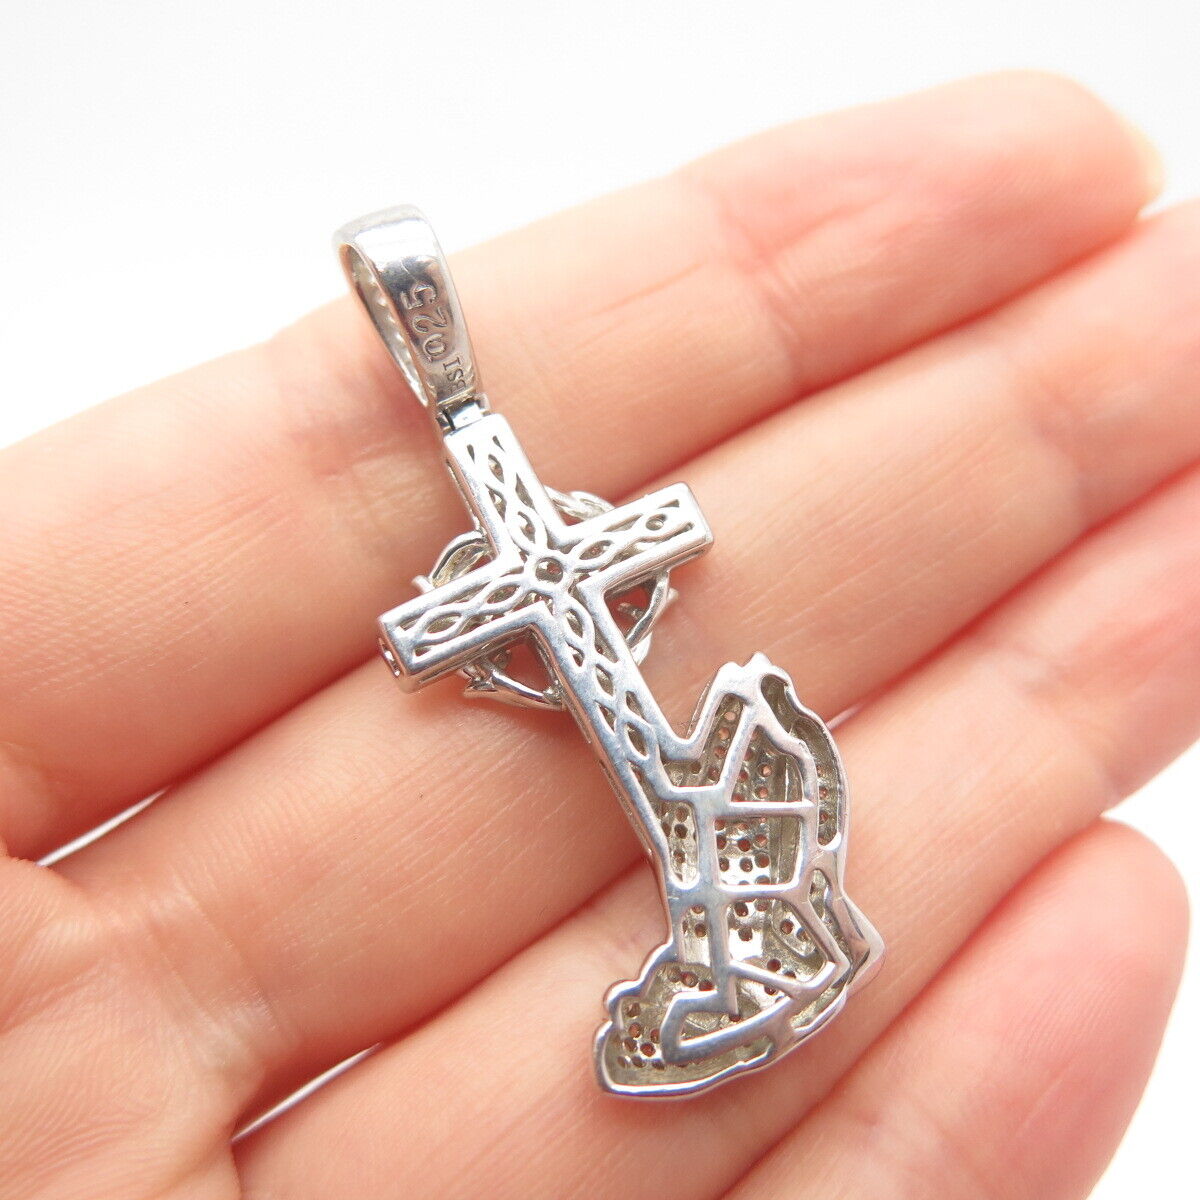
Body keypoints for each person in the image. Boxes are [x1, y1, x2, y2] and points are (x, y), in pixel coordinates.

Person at [0, 72, 1193, 1199]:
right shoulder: (504, 591)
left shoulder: (595, 564)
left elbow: (631, 557)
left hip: (586, 634)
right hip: (553, 625)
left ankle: (768, 938)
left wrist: (536, 606)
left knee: (709, 787)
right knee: (689, 790)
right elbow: (450, 628)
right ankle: (753, 946)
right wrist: (493, 624)